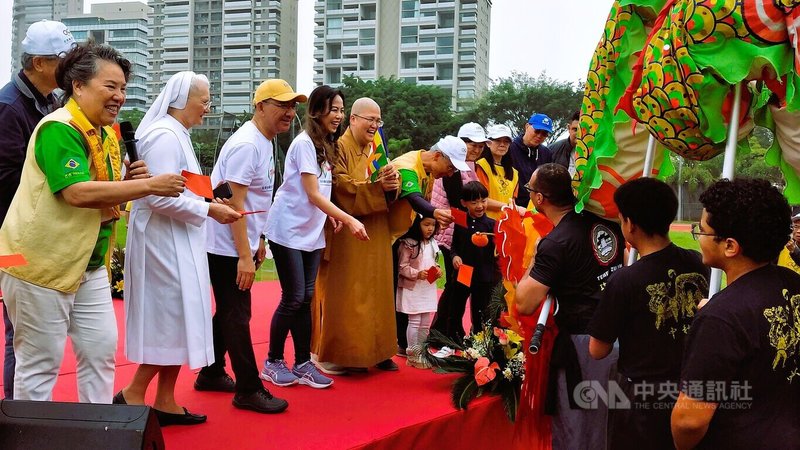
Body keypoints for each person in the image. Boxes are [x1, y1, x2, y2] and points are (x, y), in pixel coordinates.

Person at [0, 41, 186, 403]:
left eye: (123, 88)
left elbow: (104, 192)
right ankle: (28, 440)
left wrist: (129, 185)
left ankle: (99, 433)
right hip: (39, 263)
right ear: (78, 86)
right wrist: (148, 185)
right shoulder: (59, 127)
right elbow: (75, 193)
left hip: (89, 264)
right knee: (39, 366)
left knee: (100, 354)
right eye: (110, 86)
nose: (119, 96)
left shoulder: (105, 134)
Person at [117, 72, 241, 426]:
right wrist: (208, 209)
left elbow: (183, 188)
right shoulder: (163, 136)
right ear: (181, 99)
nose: (208, 107)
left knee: (181, 320)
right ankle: (132, 394)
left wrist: (207, 199)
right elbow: (157, 195)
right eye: (204, 100)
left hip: (180, 240)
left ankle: (166, 400)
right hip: (162, 244)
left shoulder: (178, 135)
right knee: (169, 322)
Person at [197, 79, 304, 414]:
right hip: (225, 245)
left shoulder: (263, 141)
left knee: (229, 311)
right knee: (238, 314)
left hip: (236, 242)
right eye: (282, 105)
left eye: (293, 106)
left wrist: (258, 241)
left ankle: (212, 371)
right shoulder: (248, 145)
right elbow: (233, 206)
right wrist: (244, 254)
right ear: (260, 106)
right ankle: (248, 388)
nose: (289, 112)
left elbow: (254, 201)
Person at [671, 178, 800, 449]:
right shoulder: (793, 282)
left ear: (730, 246)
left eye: (702, 231)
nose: (698, 236)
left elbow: (689, 420)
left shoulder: (721, 318)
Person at [588, 177, 709, 449]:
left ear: (630, 224)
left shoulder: (624, 281)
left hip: (643, 398)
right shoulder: (698, 263)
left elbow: (598, 349)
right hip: (690, 389)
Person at [261, 85, 369, 390]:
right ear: (317, 111)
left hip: (310, 231)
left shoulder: (327, 144)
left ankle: (303, 363)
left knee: (306, 299)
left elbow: (322, 190)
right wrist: (347, 218)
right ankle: (272, 362)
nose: (338, 115)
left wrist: (332, 215)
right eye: (332, 109)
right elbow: (310, 192)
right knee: (294, 297)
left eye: (340, 110)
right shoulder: (304, 144)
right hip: (287, 230)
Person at [515, 163, 624, 450]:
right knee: (608, 420)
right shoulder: (605, 223)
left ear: (539, 199)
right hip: (618, 337)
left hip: (584, 345)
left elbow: (524, 303)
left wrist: (536, 257)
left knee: (578, 423)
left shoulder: (556, 242)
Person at [0, 19, 75, 399]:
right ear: (41, 63)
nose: (72, 67)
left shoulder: (49, 102)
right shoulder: (9, 107)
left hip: (37, 233)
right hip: (13, 238)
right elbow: (6, 179)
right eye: (65, 59)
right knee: (21, 330)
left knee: (26, 331)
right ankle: (15, 415)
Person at [311, 97, 401, 374]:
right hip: (349, 230)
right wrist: (377, 188)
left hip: (376, 227)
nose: (375, 125)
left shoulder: (377, 147)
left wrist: (391, 184)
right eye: (369, 119)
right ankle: (347, 354)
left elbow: (384, 179)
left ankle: (379, 351)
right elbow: (340, 187)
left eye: (378, 120)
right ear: (353, 119)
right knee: (350, 294)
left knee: (380, 291)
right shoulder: (338, 147)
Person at [389, 136, 468, 354]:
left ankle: (403, 344)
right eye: (450, 167)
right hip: (388, 238)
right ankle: (395, 344)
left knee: (400, 289)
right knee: (391, 292)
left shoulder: (430, 172)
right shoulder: (407, 166)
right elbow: (414, 198)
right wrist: (435, 213)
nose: (450, 173)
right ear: (437, 156)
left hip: (403, 237)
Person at [429, 123, 485, 342]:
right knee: (455, 286)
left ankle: (447, 330)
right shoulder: (452, 168)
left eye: (481, 146)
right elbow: (458, 206)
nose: (477, 149)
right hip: (452, 238)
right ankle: (443, 331)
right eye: (473, 144)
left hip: (461, 235)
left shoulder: (468, 166)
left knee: (459, 285)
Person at [450, 181, 501, 336]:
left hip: (484, 273)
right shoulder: (460, 221)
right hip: (464, 271)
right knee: (457, 306)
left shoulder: (492, 225)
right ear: (464, 203)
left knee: (481, 308)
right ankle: (455, 336)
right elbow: (454, 246)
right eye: (474, 202)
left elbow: (499, 250)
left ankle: (478, 338)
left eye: (483, 201)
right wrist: (455, 257)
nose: (480, 206)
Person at [396, 214, 442, 368]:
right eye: (426, 224)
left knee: (425, 321)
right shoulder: (409, 244)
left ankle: (422, 350)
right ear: (417, 225)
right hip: (413, 287)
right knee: (414, 321)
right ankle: (412, 354)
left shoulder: (433, 243)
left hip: (427, 287)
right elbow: (402, 267)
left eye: (433, 225)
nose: (430, 229)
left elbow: (434, 261)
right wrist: (417, 274)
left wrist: (437, 270)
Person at [509, 113, 553, 208]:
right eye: (537, 131)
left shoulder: (546, 153)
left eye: (544, 133)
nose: (539, 136)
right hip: (513, 205)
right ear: (527, 126)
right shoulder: (510, 148)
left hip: (537, 207)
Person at [475, 124, 519, 219]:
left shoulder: (514, 173)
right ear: (488, 143)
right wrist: (508, 206)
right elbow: (480, 199)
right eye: (498, 140)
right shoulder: (481, 166)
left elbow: (513, 201)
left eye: (506, 141)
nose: (502, 144)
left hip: (506, 224)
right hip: (486, 222)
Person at [549, 111, 579, 175]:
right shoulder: (552, 150)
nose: (579, 134)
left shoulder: (596, 152)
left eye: (583, 130)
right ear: (568, 128)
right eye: (575, 130)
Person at [778, 206, 800, 273]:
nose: (799, 230)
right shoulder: (784, 247)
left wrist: (794, 250)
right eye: (796, 226)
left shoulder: (791, 248)